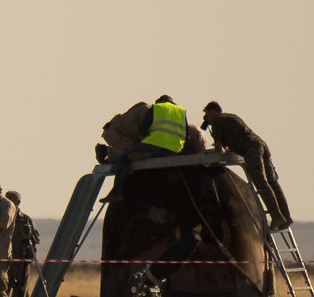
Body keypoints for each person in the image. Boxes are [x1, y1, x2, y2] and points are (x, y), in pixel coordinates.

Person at [200, 102, 293, 231]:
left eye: (207, 113)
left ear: (214, 111)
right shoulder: (230, 117)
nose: (207, 117)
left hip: (251, 150)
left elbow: (218, 149)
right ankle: (286, 217)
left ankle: (276, 216)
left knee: (261, 182)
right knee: (272, 182)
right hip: (260, 145)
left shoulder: (217, 123)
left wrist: (210, 151)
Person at [112, 94, 189, 175]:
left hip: (154, 146)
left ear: (159, 101)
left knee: (123, 158)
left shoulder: (156, 107)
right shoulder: (181, 112)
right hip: (174, 150)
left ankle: (117, 187)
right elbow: (187, 136)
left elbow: (143, 130)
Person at [6, 189, 37, 297]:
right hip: (7, 258)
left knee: (22, 289)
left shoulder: (26, 219)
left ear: (18, 202)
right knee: (5, 287)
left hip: (22, 258)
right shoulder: (4, 218)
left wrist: (29, 256)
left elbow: (35, 240)